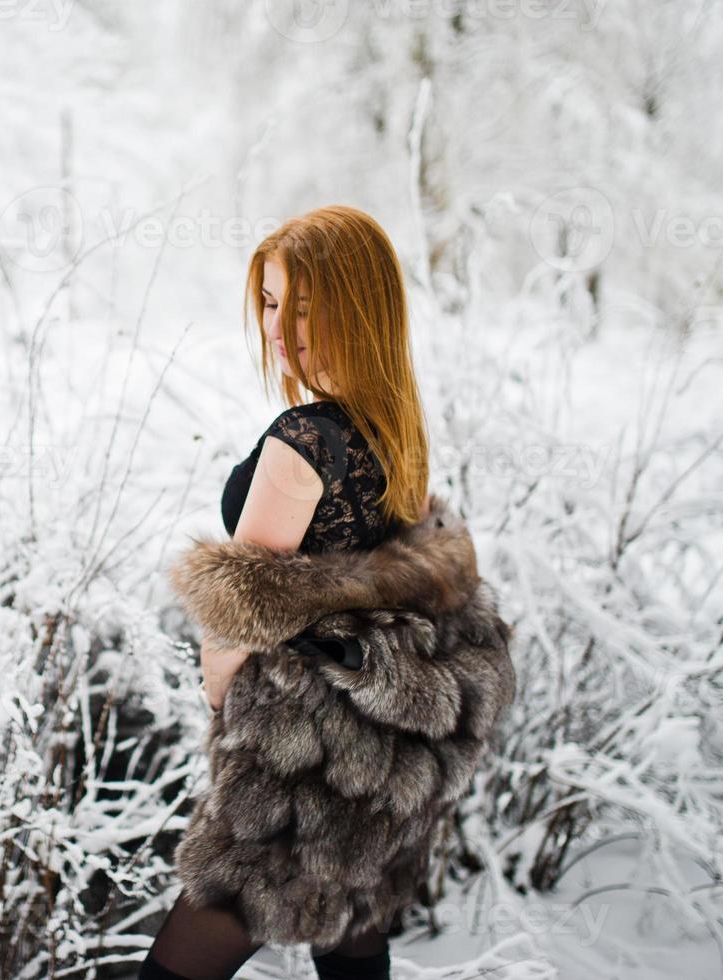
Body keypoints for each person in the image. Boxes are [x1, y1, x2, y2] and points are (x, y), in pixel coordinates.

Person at [140, 204, 431, 980]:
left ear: (357, 306)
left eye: (303, 306)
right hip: (370, 766)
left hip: (290, 770)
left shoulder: (301, 439)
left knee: (172, 974)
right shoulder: (394, 431)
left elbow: (237, 618)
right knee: (351, 951)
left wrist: (221, 705)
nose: (279, 327)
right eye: (270, 302)